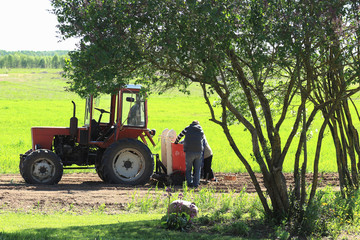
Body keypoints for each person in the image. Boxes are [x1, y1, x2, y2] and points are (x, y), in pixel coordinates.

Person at [174, 120, 204, 188]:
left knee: (188, 169)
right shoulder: (201, 129)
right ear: (198, 124)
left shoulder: (187, 128)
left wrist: (176, 142)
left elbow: (180, 135)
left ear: (192, 123)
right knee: (197, 169)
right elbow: (202, 140)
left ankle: (189, 183)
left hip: (189, 152)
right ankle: (196, 184)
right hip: (199, 152)